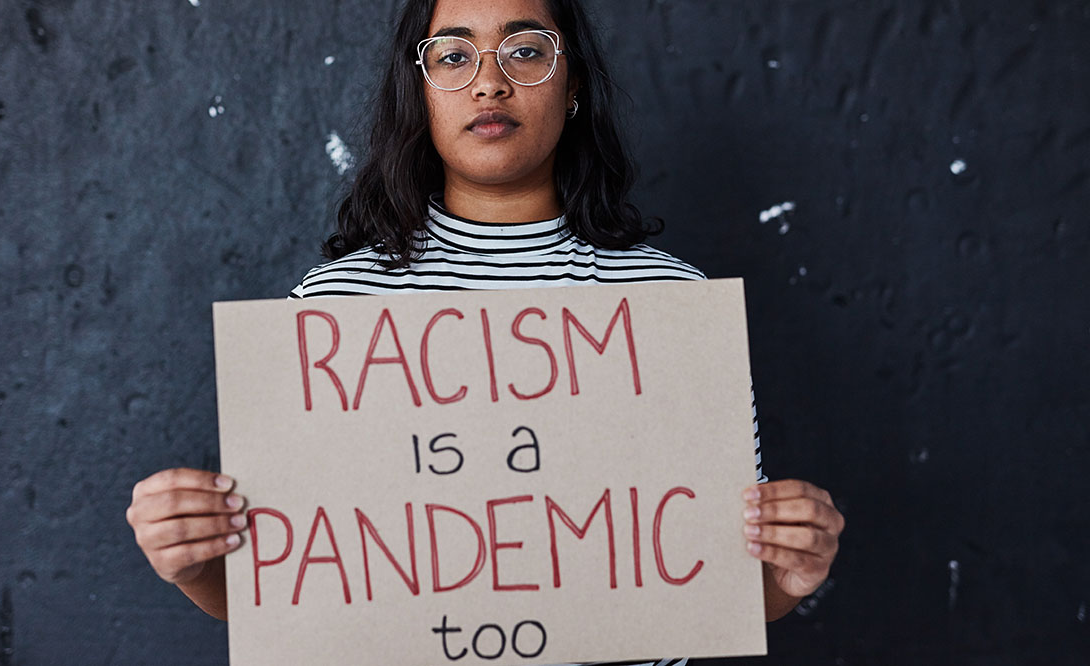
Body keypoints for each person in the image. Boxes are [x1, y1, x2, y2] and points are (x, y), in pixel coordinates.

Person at [125, 0, 846, 661]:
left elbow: (725, 587)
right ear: (422, 92)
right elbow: (283, 591)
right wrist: (191, 562)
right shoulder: (340, 305)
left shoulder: (669, 305)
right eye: (453, 55)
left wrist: (792, 570)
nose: (490, 84)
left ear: (573, 86)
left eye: (526, 52)